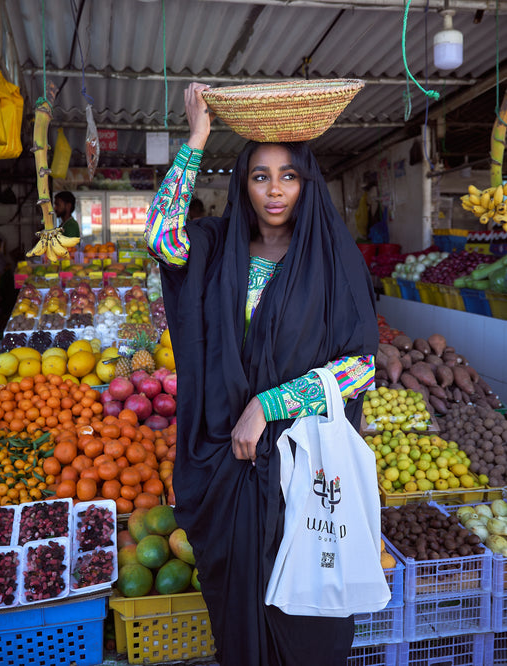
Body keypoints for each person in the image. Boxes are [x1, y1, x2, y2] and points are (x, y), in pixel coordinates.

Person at [143, 82, 379, 666]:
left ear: (307, 183)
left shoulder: (332, 256)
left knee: (306, 624)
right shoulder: (216, 246)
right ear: (243, 184)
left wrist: (270, 404)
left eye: (289, 176)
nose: (274, 191)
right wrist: (198, 137)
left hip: (303, 466)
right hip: (230, 465)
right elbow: (159, 239)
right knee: (240, 615)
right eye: (260, 176)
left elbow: (360, 367)